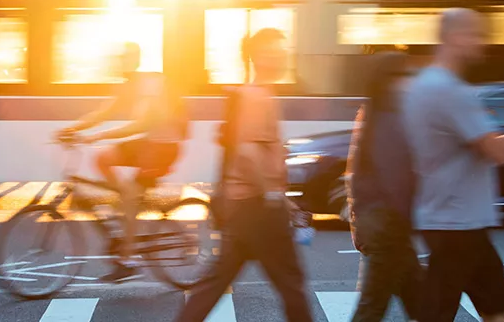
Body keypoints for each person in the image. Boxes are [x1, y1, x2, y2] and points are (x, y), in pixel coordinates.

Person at [401, 8, 504, 322]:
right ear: (455, 37)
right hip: (457, 222)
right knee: (445, 309)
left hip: (447, 215)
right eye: (477, 34)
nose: (484, 42)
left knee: (492, 303)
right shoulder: (450, 91)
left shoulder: (422, 85)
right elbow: (499, 150)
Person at [176, 28, 313, 322]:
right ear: (258, 57)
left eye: (282, 52)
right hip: (258, 209)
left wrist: (286, 202)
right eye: (273, 53)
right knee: (292, 284)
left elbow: (256, 155)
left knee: (215, 283)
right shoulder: (257, 97)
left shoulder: (259, 94)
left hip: (245, 207)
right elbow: (247, 152)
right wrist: (274, 195)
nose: (280, 59)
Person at [56, 42, 189, 282]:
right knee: (103, 158)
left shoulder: (151, 86)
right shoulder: (129, 86)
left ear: (135, 61)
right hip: (149, 143)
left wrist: (99, 135)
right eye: (119, 60)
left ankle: (128, 260)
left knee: (128, 199)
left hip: (164, 147)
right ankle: (127, 197)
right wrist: (72, 129)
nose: (120, 64)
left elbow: (142, 125)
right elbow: (102, 114)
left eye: (124, 60)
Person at [346, 52, 422, 322]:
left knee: (424, 305)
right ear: (389, 80)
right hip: (389, 228)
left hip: (384, 227)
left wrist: (357, 219)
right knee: (371, 309)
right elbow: (395, 178)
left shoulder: (374, 113)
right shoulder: (389, 117)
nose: (408, 82)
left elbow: (355, 175)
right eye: (402, 75)